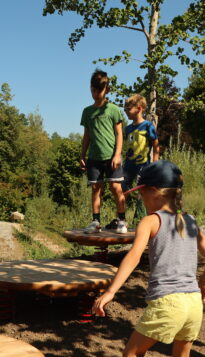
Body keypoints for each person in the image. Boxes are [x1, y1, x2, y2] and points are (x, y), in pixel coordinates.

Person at [92, 160, 205, 357]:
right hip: (193, 303)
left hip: (168, 303)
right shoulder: (190, 221)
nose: (140, 199)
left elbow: (133, 256)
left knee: (132, 355)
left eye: (141, 193)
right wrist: (203, 284)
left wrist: (111, 291)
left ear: (155, 192)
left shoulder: (151, 221)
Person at [79, 70, 128, 234]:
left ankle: (122, 220)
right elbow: (86, 136)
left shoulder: (113, 109)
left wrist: (117, 155)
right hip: (94, 158)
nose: (95, 94)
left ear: (107, 89)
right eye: (93, 90)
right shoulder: (87, 111)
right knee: (95, 189)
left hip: (111, 157)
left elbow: (119, 134)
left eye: (98, 90)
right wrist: (82, 155)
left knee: (115, 187)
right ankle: (95, 222)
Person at [122, 94, 160, 225]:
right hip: (128, 166)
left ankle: (143, 220)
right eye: (125, 109)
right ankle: (122, 220)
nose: (125, 111)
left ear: (139, 109)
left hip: (143, 166)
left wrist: (155, 164)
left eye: (128, 109)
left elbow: (156, 145)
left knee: (143, 192)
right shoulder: (127, 128)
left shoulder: (148, 126)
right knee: (122, 189)